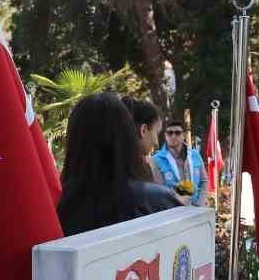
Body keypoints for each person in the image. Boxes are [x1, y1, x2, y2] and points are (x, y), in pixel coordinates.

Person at [58, 93, 183, 236]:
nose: (156, 142)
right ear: (127, 134)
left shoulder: (55, 211)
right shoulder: (154, 201)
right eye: (157, 133)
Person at [137, 103, 206, 206]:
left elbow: (204, 181)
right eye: (169, 133)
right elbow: (160, 190)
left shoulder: (195, 155)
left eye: (177, 133)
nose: (173, 136)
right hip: (173, 210)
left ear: (183, 135)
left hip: (197, 209)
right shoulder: (156, 160)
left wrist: (199, 204)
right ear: (165, 135)